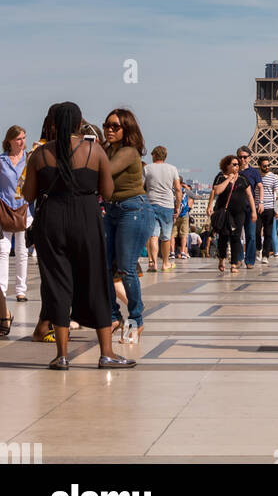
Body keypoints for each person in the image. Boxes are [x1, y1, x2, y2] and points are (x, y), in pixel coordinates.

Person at [22, 102, 135, 369]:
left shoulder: (39, 155)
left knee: (57, 285)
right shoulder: (93, 150)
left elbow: (28, 195)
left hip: (51, 220)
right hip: (86, 218)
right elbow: (107, 192)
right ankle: (106, 352)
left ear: (52, 124)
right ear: (78, 123)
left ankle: (61, 355)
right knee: (95, 280)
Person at [103, 107, 151, 345]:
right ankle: (113, 316)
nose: (109, 130)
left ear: (127, 129)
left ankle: (136, 320)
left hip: (133, 209)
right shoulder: (106, 149)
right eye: (107, 125)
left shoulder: (129, 152)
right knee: (104, 267)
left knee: (126, 267)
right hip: (112, 210)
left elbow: (106, 171)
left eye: (115, 126)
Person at [207, 155, 256, 274]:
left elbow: (249, 195)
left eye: (237, 164)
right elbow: (217, 191)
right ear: (227, 165)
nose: (237, 166)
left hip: (239, 212)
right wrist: (229, 179)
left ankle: (234, 263)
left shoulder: (243, 178)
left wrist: (254, 211)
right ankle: (222, 259)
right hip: (225, 212)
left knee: (236, 237)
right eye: (234, 164)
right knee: (223, 237)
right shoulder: (220, 177)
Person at [0, 125, 30, 302]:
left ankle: (21, 290)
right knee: (3, 250)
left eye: (24, 138)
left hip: (24, 208)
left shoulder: (29, 159)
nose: (22, 142)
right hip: (4, 208)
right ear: (9, 140)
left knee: (22, 250)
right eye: (18, 139)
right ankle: (2, 290)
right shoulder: (1, 160)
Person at [144, 146, 182, 273]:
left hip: (151, 203)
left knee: (153, 235)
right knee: (166, 236)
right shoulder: (172, 169)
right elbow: (177, 188)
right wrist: (178, 206)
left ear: (154, 155)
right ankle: (165, 263)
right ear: (165, 156)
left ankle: (153, 263)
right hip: (167, 205)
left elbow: (141, 186)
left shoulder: (147, 168)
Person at [236, 147, 261, 268]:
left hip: (249, 207)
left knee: (251, 235)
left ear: (249, 158)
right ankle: (239, 257)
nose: (242, 159)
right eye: (240, 157)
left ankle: (250, 260)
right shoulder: (234, 171)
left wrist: (260, 203)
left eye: (245, 157)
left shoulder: (254, 172)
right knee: (236, 234)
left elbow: (260, 186)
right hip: (237, 207)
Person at [255, 156, 278, 265]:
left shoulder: (273, 177)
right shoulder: (256, 176)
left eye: (268, 165)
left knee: (268, 233)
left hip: (269, 208)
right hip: (257, 208)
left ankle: (265, 255)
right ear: (260, 166)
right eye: (265, 166)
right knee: (256, 231)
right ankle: (258, 249)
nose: (267, 167)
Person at [175, 180, 191, 259]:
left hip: (174, 214)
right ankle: (183, 252)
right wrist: (187, 188)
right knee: (184, 234)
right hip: (184, 214)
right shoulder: (185, 191)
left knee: (173, 235)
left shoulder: (172, 190)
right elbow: (195, 196)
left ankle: (173, 252)